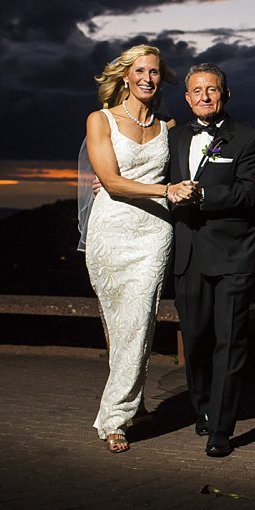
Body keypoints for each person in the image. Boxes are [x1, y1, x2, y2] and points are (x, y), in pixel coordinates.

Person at [83, 44, 196, 453]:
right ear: (125, 76)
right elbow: (111, 182)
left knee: (141, 319)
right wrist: (163, 189)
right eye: (140, 71)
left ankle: (115, 419)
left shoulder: (169, 126)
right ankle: (137, 404)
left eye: (154, 72)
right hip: (110, 230)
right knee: (119, 324)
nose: (147, 78)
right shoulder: (101, 120)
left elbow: (189, 169)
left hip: (153, 233)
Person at [168, 63, 255, 457]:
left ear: (226, 95)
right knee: (193, 339)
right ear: (187, 98)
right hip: (188, 255)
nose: (205, 96)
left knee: (229, 342)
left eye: (213, 89)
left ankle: (221, 430)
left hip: (232, 256)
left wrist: (203, 198)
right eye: (197, 90)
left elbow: (248, 194)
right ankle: (204, 407)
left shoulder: (249, 138)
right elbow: (156, 180)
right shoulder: (174, 138)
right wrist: (109, 184)